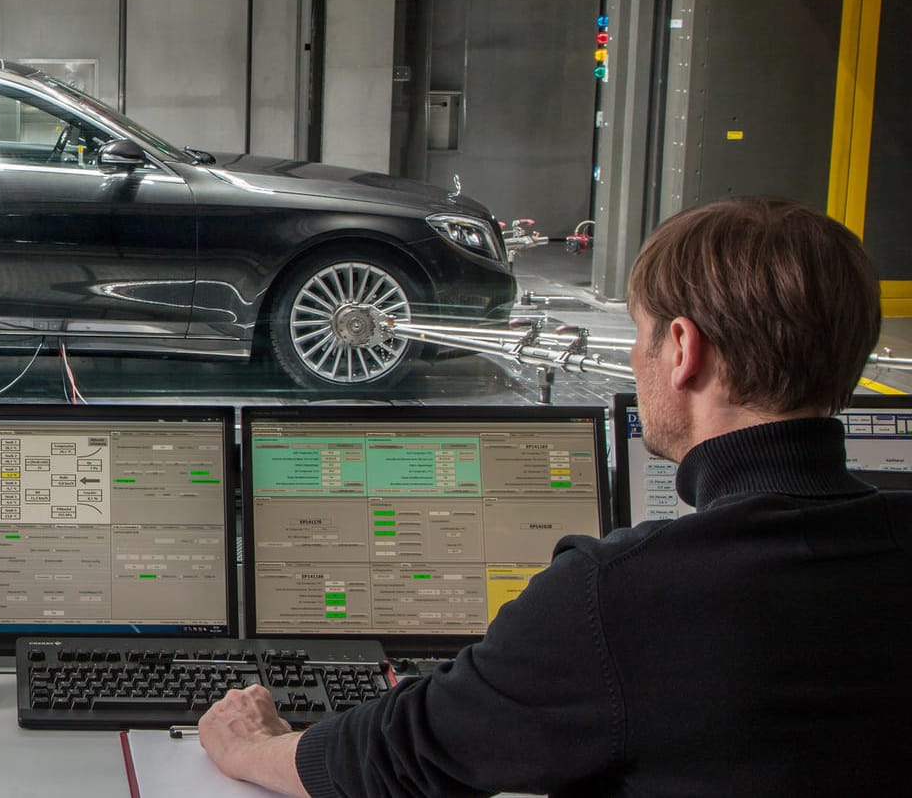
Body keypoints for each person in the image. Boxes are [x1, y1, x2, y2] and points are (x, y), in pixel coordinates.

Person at [199, 196, 912, 796]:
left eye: (642, 335)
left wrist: (254, 747)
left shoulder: (625, 596)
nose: (639, 358)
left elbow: (403, 751)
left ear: (684, 349)